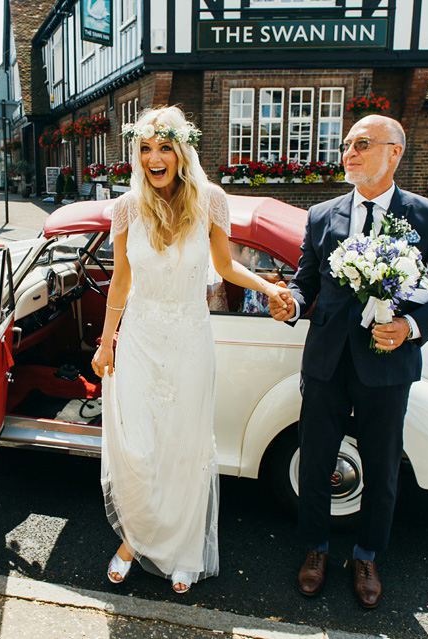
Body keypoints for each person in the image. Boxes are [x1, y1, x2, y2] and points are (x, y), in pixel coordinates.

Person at [269, 115, 428, 609]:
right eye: (345, 145)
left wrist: (410, 327)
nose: (348, 153)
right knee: (315, 462)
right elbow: (306, 283)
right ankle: (315, 550)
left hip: (386, 366)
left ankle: (366, 556)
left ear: (394, 152)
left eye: (361, 144)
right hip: (325, 365)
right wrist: (291, 303)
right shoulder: (322, 215)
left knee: (382, 469)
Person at [90, 106, 289, 594]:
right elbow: (120, 281)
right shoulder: (126, 208)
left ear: (181, 152)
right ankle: (135, 538)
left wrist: (267, 286)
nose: (154, 158)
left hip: (188, 340)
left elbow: (225, 267)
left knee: (184, 446)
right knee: (139, 448)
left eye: (163, 148)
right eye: (144, 149)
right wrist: (105, 342)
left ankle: (184, 549)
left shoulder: (211, 201)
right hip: (138, 338)